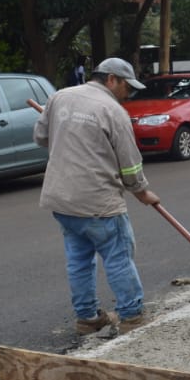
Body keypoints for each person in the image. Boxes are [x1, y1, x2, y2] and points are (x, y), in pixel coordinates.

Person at [33, 56, 160, 335]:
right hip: (98, 201)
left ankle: (87, 318)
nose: (129, 94)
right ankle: (132, 316)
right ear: (111, 79)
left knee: (78, 259)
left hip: (62, 199)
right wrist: (142, 191)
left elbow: (41, 137)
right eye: (127, 87)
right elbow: (129, 162)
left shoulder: (60, 97)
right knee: (118, 256)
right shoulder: (113, 111)